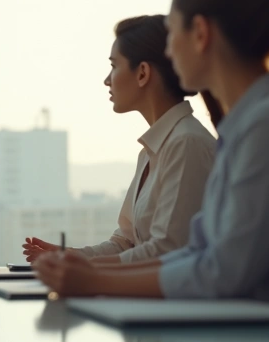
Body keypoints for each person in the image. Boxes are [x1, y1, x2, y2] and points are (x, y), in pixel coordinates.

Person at [34, 0, 269, 311]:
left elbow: (223, 272)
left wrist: (95, 281)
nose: (168, 51)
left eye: (172, 33)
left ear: (200, 33)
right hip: (260, 325)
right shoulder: (248, 125)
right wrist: (91, 274)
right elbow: (197, 254)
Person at [23, 16, 217, 265]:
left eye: (114, 66)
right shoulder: (152, 150)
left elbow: (166, 252)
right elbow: (125, 243)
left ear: (143, 73)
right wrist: (71, 255)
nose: (107, 79)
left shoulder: (187, 144)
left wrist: (82, 267)